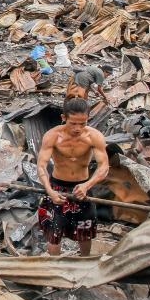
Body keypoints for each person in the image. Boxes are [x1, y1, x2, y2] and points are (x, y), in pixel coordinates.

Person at [36, 97, 110, 256]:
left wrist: (87, 186)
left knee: (85, 232)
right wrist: (49, 190)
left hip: (82, 188)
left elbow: (104, 166)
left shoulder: (93, 136)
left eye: (82, 123)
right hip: (57, 187)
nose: (78, 128)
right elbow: (41, 166)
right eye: (73, 123)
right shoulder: (53, 136)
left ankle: (84, 262)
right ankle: (55, 270)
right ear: (64, 118)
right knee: (54, 233)